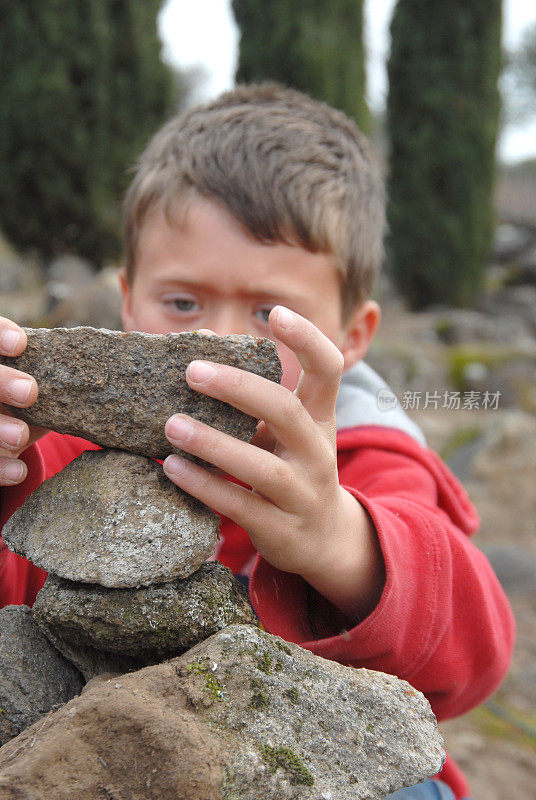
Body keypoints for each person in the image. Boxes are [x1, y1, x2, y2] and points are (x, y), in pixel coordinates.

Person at [0, 84, 514, 799]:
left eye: (270, 312)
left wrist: (340, 539)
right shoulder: (64, 453)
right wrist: (9, 471)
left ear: (353, 336)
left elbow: (474, 658)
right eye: (182, 303)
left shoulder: (368, 461)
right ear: (125, 300)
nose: (219, 344)